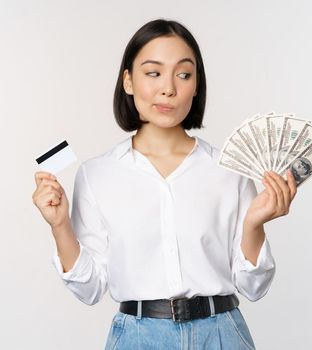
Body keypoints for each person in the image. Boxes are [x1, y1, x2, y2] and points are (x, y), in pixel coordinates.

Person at [31, 19, 297, 349]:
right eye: (153, 73)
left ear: (196, 85)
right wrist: (59, 226)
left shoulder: (229, 168)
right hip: (138, 337)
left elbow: (254, 287)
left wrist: (254, 225)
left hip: (222, 335)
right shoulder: (97, 174)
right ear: (128, 80)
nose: (168, 88)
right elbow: (90, 289)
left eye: (183, 74)